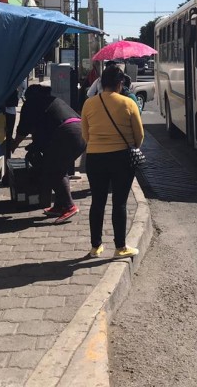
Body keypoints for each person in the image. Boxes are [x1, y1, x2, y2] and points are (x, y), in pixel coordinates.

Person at [80, 65, 144, 258]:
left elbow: (85, 135)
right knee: (119, 203)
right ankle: (120, 247)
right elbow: (139, 136)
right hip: (121, 159)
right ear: (119, 84)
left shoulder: (88, 104)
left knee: (97, 202)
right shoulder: (128, 103)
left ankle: (95, 246)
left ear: (101, 83)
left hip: (94, 158)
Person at [11, 84, 86, 223]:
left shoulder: (31, 104)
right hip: (80, 132)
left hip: (67, 134)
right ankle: (60, 205)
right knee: (58, 167)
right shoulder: (52, 100)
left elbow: (22, 130)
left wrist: (13, 147)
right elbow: (45, 130)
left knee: (54, 170)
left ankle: (69, 206)